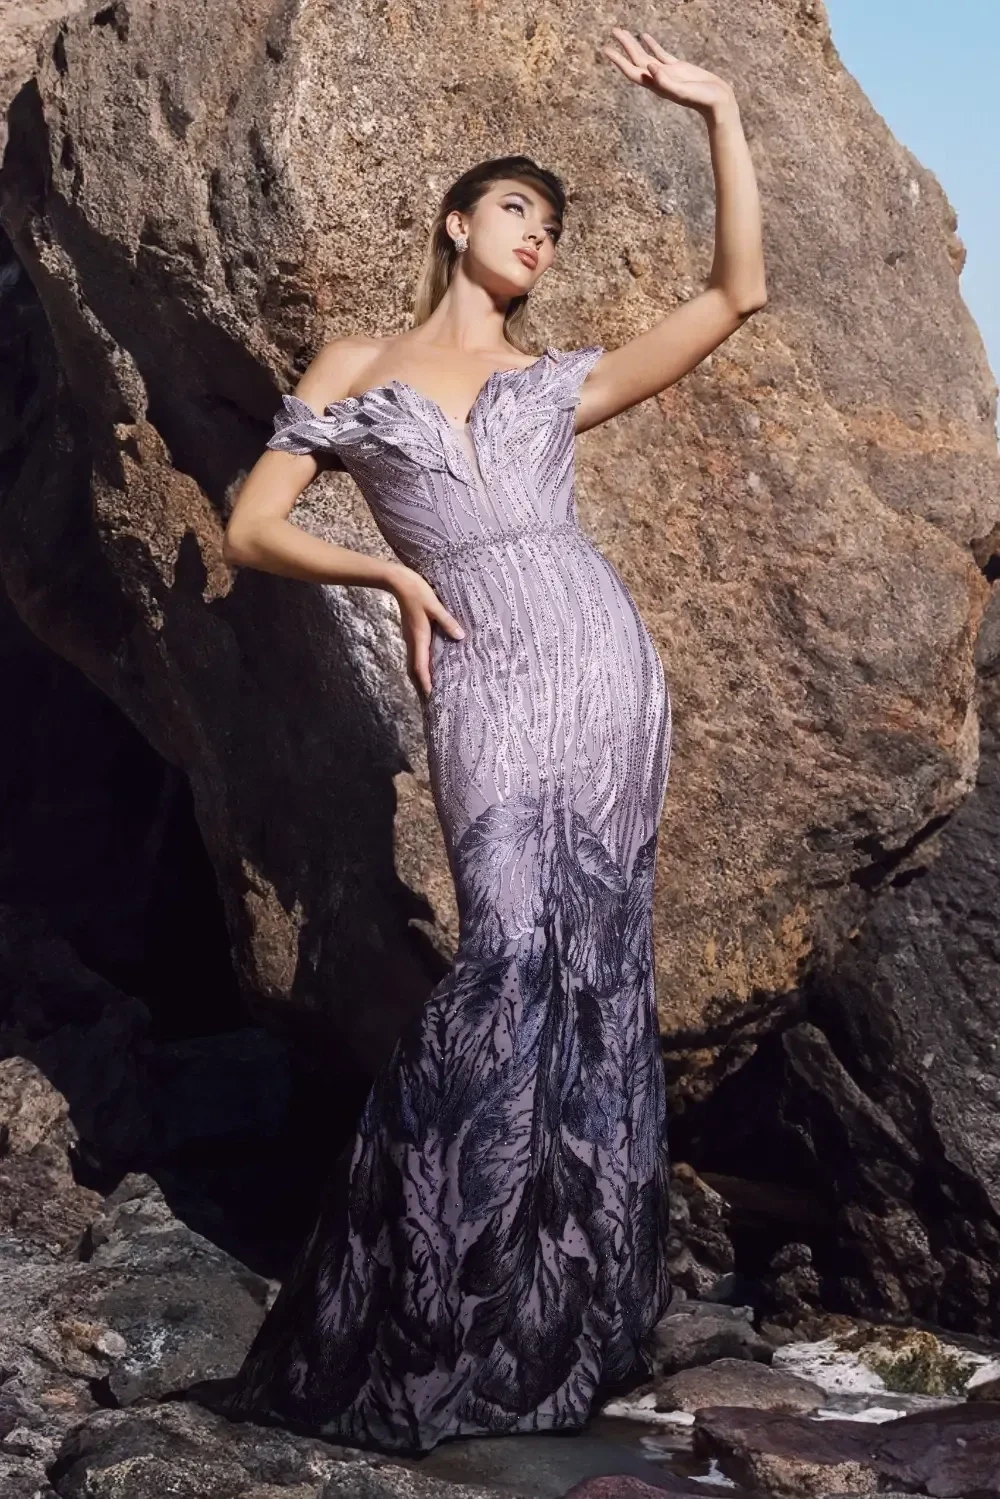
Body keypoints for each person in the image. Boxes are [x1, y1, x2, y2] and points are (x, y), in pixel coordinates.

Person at [214, 26, 765, 1456]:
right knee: (507, 957)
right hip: (484, 680)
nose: (541, 238)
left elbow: (737, 290)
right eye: (521, 209)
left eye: (555, 227)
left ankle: (548, 1326)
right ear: (458, 221)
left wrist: (719, 108)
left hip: (599, 669)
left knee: (589, 978)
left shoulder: (555, 381)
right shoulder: (356, 361)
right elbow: (252, 525)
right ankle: (412, 1312)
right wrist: (387, 573)